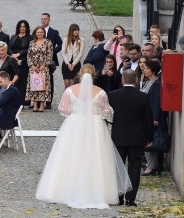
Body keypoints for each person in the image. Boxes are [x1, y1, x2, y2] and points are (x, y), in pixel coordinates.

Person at [35, 65, 132, 209]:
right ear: (94, 75)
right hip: (95, 125)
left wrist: (76, 111)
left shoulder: (69, 90)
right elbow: (107, 113)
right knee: (96, 156)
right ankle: (99, 191)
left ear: (79, 74)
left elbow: (63, 109)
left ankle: (63, 189)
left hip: (74, 124)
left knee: (71, 155)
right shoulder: (100, 92)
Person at [107, 69, 154, 206]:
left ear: (122, 80)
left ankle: (119, 196)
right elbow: (148, 120)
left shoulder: (112, 96)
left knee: (118, 168)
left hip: (118, 137)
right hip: (136, 138)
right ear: (136, 80)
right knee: (134, 168)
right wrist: (149, 137)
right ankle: (130, 198)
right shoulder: (143, 97)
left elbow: (108, 117)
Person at [141, 59, 166, 176]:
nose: (144, 70)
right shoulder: (147, 82)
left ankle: (152, 166)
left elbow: (156, 102)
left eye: (147, 68)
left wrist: (155, 118)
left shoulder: (155, 83)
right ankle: (151, 165)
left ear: (153, 70)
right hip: (146, 116)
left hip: (152, 117)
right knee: (147, 141)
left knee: (151, 142)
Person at [27, 26, 53, 112]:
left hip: (43, 68)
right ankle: (34, 104)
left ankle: (42, 104)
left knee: (42, 86)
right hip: (33, 68)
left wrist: (44, 65)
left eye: (41, 32)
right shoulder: (32, 42)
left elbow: (50, 55)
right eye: (38, 32)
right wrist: (32, 65)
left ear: (44, 33)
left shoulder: (48, 42)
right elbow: (29, 55)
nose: (39, 34)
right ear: (35, 33)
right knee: (34, 85)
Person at [41, 13, 62, 109]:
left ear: (49, 20)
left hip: (50, 60)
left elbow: (60, 44)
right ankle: (38, 99)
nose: (43, 20)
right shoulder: (38, 31)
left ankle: (48, 101)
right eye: (42, 19)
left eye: (45, 19)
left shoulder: (54, 32)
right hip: (39, 60)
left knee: (49, 79)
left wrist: (52, 52)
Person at [9, 19, 32, 104]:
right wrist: (13, 56)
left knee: (22, 82)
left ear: (27, 28)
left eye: (24, 27)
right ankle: (14, 100)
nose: (22, 28)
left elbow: (29, 50)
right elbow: (9, 48)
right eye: (21, 26)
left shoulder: (30, 38)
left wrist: (19, 54)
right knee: (14, 81)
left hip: (23, 62)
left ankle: (22, 101)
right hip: (13, 62)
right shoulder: (13, 37)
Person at [61, 23, 85, 89]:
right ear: (71, 31)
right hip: (66, 63)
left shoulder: (81, 40)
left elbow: (80, 54)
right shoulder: (66, 39)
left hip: (76, 63)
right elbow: (63, 52)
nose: (76, 31)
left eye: (77, 30)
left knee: (73, 84)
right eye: (74, 30)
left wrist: (73, 64)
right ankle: (66, 98)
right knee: (67, 83)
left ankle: (73, 98)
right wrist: (68, 63)